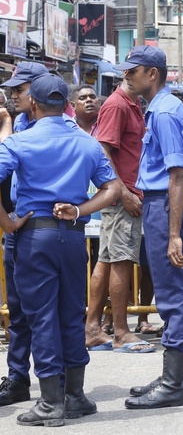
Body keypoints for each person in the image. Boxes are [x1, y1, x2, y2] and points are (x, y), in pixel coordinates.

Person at [0, 73, 120, 426]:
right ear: (66, 104)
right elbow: (112, 189)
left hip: (35, 237)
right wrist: (80, 210)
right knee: (71, 314)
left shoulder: (20, 142)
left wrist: (7, 223)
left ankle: (51, 403)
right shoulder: (86, 142)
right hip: (73, 234)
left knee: (41, 319)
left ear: (33, 104)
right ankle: (75, 396)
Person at [120, 46, 183, 409]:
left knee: (172, 293)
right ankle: (171, 375)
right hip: (162, 204)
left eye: (132, 71)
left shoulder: (164, 112)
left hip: (165, 204)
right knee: (170, 290)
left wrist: (172, 234)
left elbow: (178, 174)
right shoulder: (163, 108)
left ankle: (173, 383)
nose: (127, 77)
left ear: (152, 74)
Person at [84, 76, 154, 354]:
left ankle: (92, 328)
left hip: (122, 193)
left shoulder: (132, 103)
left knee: (107, 259)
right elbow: (103, 150)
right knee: (120, 259)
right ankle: (121, 332)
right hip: (123, 195)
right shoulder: (117, 105)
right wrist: (124, 193)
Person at [0, 63, 47, 407]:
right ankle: (18, 378)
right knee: (17, 309)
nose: (14, 95)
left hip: (44, 227)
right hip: (16, 224)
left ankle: (58, 386)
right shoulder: (18, 124)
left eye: (20, 89)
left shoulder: (59, 126)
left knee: (46, 310)